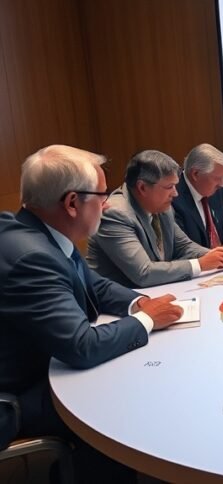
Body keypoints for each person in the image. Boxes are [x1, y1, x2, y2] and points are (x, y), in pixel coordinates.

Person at [0, 145, 183, 478]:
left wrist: (139, 303)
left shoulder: (37, 232)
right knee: (117, 399)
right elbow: (82, 346)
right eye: (101, 195)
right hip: (18, 396)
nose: (108, 204)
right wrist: (147, 320)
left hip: (38, 364)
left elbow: (93, 283)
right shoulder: (33, 257)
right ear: (72, 203)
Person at [87, 150, 223, 288]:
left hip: (155, 291)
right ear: (142, 187)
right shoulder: (115, 214)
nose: (175, 194)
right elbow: (144, 273)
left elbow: (183, 246)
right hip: (121, 300)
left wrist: (216, 255)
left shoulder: (162, 207)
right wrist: (200, 264)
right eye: (169, 187)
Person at [172, 143, 223, 252]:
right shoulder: (173, 197)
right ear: (195, 174)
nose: (222, 184)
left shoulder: (213, 190)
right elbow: (182, 247)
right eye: (217, 178)